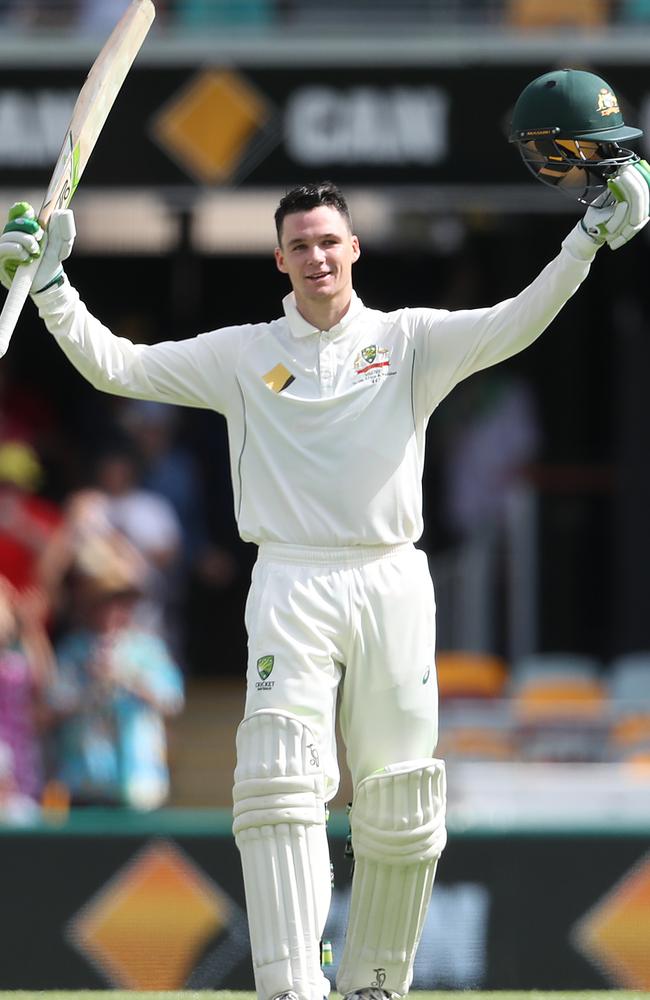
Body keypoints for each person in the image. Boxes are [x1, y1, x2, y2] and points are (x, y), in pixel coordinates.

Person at [0, 67, 648, 1000]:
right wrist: (54, 285)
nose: (316, 257)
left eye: (329, 242)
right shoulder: (242, 354)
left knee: (400, 793)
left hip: (390, 575)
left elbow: (514, 325)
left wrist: (587, 239)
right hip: (292, 578)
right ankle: (291, 984)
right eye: (298, 245)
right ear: (279, 260)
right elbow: (118, 368)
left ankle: (380, 980)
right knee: (278, 778)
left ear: (355, 248)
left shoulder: (412, 341)